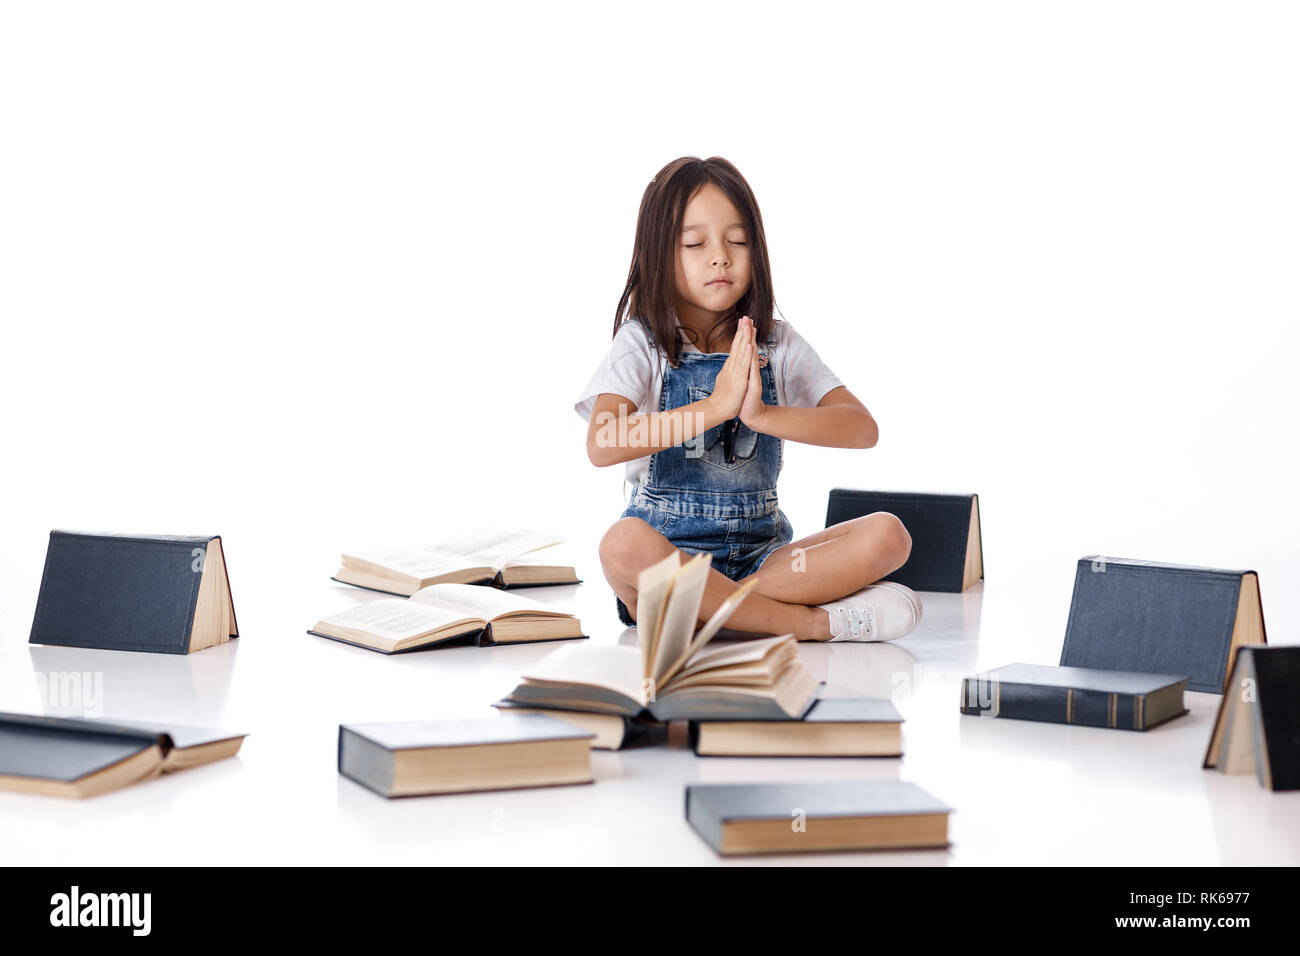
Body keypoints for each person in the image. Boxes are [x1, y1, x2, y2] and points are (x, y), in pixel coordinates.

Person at [575, 156, 922, 642]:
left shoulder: (777, 344)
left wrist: (761, 413)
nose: (720, 256)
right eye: (695, 243)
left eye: (737, 241)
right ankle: (810, 623)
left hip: (765, 562)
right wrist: (714, 408)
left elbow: (861, 428)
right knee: (622, 543)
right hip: (665, 559)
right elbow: (603, 442)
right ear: (657, 256)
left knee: (888, 535)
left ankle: (707, 612)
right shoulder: (642, 344)